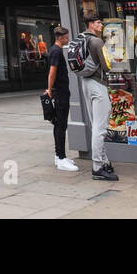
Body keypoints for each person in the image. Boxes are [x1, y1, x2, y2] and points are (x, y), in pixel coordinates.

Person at [77, 14, 117, 181]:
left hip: (85, 82)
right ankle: (97, 167)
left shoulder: (80, 39)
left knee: (96, 126)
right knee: (100, 129)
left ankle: (104, 161)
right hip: (98, 84)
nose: (101, 25)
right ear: (91, 24)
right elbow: (107, 66)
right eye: (99, 23)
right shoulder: (97, 41)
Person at [45, 26, 79, 172]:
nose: (68, 39)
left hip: (61, 92)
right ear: (61, 38)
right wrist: (50, 90)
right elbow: (52, 73)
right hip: (60, 93)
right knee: (61, 125)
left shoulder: (55, 51)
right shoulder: (56, 52)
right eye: (66, 37)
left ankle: (60, 157)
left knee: (59, 124)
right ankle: (60, 158)